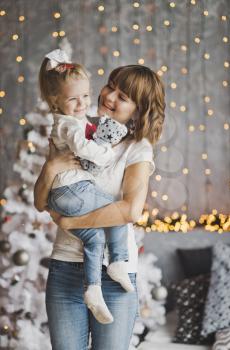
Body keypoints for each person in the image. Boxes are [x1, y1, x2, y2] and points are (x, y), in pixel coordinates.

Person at [34, 63, 165, 350]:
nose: (109, 97)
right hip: (66, 267)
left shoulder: (137, 148)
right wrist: (52, 166)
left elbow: (129, 210)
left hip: (114, 277)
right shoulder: (77, 127)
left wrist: (70, 223)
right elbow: (40, 201)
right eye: (110, 86)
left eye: (123, 96)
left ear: (138, 109)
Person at [38, 49, 134, 325]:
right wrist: (105, 155)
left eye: (85, 96)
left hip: (62, 196)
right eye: (73, 98)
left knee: (94, 237)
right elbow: (83, 147)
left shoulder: (76, 120)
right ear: (56, 100)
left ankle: (93, 290)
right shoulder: (69, 125)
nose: (82, 104)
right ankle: (117, 260)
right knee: (115, 210)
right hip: (73, 192)